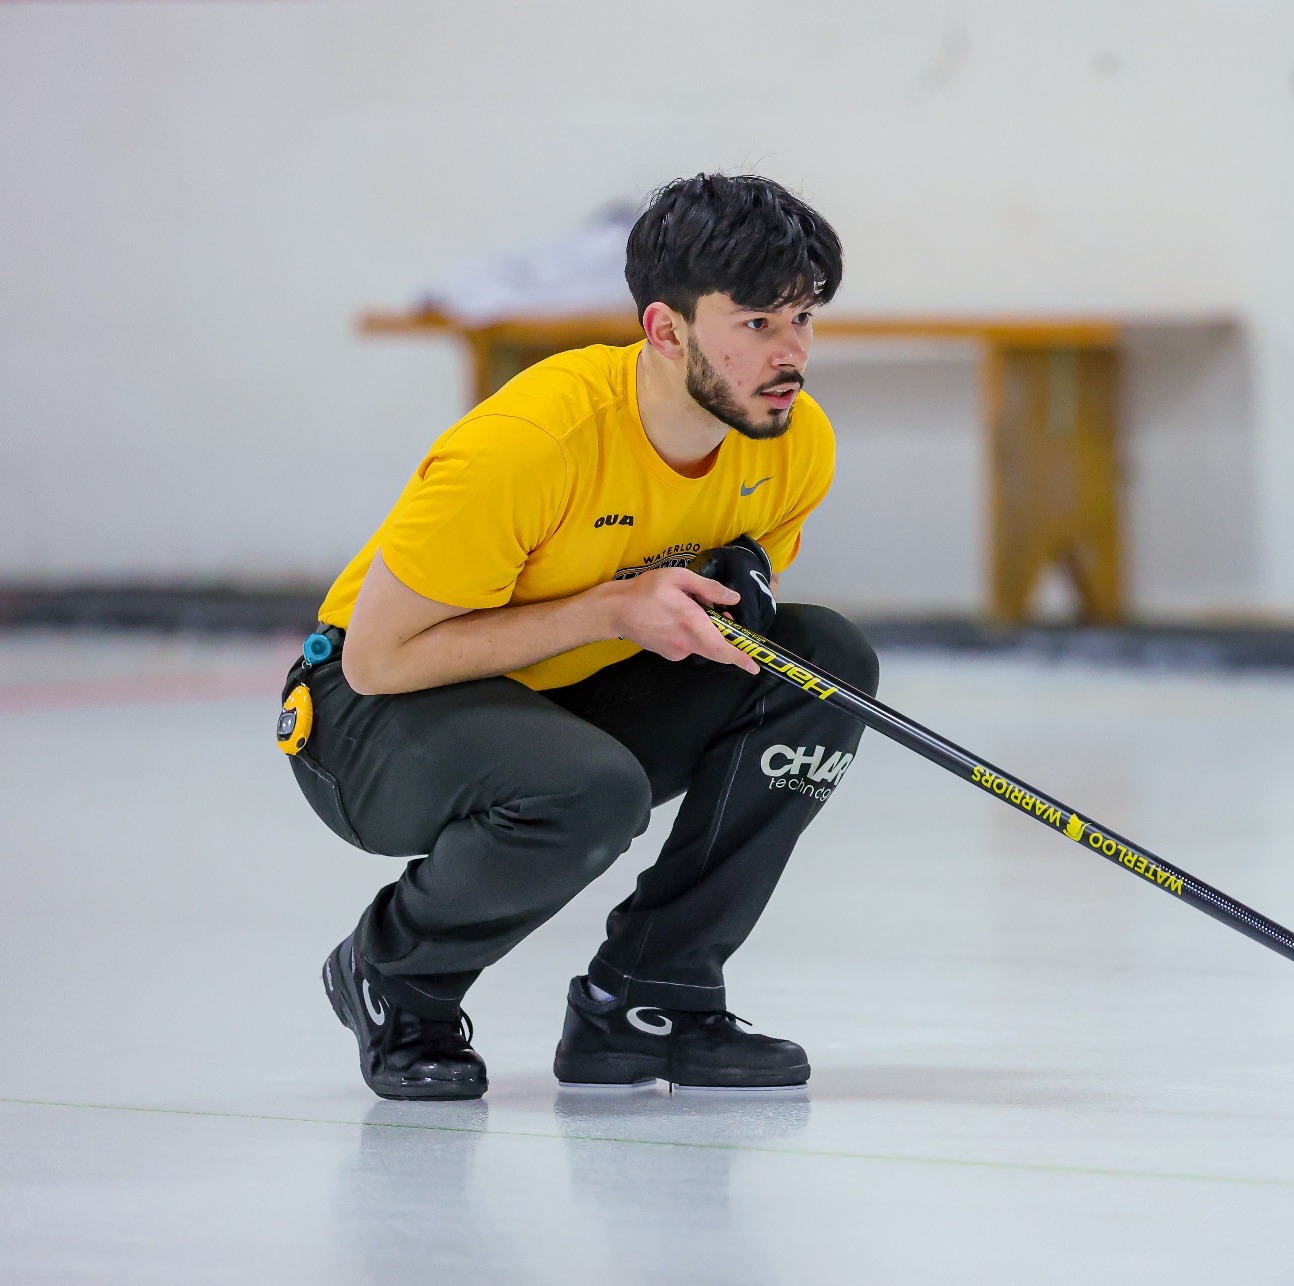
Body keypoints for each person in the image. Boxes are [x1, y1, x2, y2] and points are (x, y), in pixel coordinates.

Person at [280, 174, 877, 1101]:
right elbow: (378, 656)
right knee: (588, 788)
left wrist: (724, 589)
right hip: (364, 714)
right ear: (665, 330)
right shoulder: (532, 443)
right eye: (757, 323)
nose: (791, 351)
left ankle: (649, 994)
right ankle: (399, 975)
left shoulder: (793, 443)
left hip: (559, 690)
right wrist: (610, 608)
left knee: (822, 661)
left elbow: (708, 595)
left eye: (803, 318)